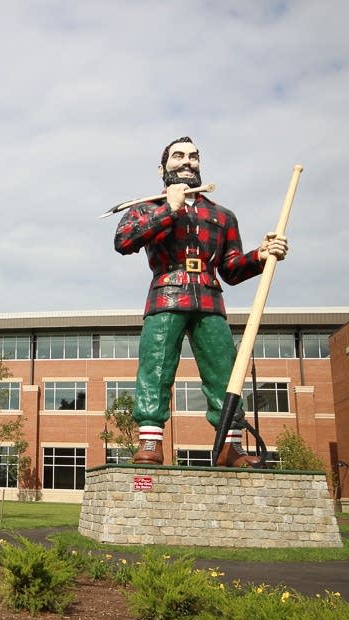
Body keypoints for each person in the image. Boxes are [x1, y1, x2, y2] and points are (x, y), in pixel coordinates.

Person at [113, 136, 288, 467]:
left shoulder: (222, 216)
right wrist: (171, 209)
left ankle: (229, 445)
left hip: (209, 296)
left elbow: (232, 269)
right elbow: (124, 241)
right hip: (166, 292)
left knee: (224, 370)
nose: (187, 162)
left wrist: (261, 255)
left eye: (193, 157)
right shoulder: (147, 208)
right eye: (178, 156)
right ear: (163, 167)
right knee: (156, 367)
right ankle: (150, 442)